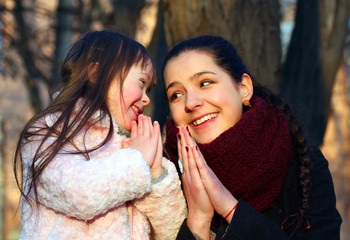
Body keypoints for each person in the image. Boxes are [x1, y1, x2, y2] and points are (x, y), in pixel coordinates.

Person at [162, 35, 342, 240]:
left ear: (244, 89)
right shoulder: (163, 179)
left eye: (205, 83)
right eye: (176, 94)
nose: (190, 103)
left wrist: (231, 209)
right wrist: (198, 221)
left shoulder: (303, 162)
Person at [14, 30, 187, 239]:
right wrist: (137, 160)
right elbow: (79, 194)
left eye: (148, 90)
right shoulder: (48, 132)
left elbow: (172, 232)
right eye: (141, 84)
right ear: (97, 75)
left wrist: (156, 172)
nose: (146, 98)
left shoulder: (135, 144)